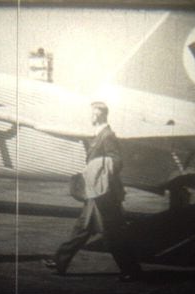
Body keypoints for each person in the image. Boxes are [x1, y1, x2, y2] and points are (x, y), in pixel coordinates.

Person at [43, 102, 142, 282]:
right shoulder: (99, 136)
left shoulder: (108, 136)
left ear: (99, 115)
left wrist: (96, 172)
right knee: (82, 228)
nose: (91, 116)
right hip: (95, 192)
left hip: (104, 194)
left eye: (93, 113)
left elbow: (116, 161)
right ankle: (59, 261)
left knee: (112, 234)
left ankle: (132, 270)